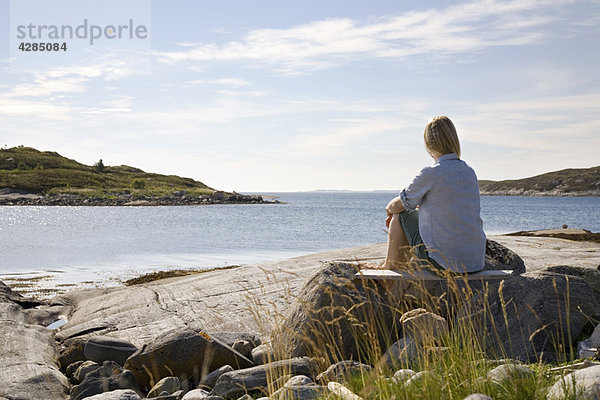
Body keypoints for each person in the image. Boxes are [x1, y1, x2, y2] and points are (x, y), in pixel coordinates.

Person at [382, 116, 486, 274]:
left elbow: (399, 204)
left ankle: (389, 268)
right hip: (475, 261)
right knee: (411, 212)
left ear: (429, 143)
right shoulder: (469, 172)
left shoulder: (432, 172)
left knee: (400, 215)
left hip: (444, 263)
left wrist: (389, 210)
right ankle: (394, 267)